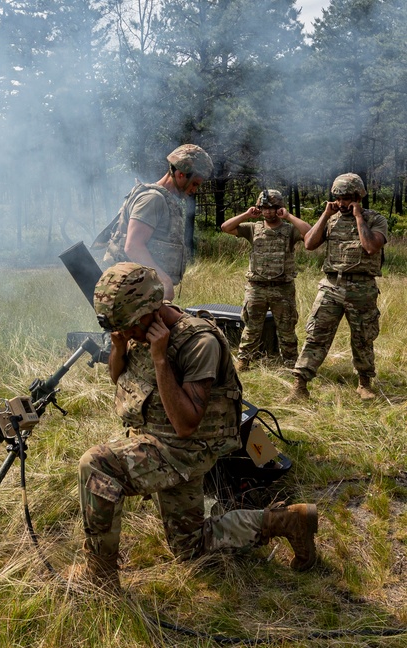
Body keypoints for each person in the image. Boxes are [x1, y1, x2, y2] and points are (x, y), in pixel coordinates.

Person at [73, 262, 319, 592]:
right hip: (154, 438)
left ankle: (99, 581)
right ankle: (289, 521)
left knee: (97, 465)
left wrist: (161, 360)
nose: (127, 333)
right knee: (190, 548)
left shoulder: (200, 343)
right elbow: (121, 379)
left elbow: (187, 424)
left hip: (183, 449)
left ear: (152, 310)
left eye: (129, 327)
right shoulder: (136, 327)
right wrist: (119, 348)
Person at [289, 173, 387, 401]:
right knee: (316, 336)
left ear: (358, 197)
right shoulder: (331, 219)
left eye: (347, 198)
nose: (342, 203)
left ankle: (364, 384)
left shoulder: (376, 219)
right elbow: (309, 244)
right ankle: (299, 386)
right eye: (339, 198)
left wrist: (358, 218)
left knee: (362, 338)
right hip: (331, 286)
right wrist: (325, 214)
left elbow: (371, 247)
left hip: (362, 288)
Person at [96, 144, 213, 301]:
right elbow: (133, 246)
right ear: (180, 174)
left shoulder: (164, 199)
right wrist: (163, 280)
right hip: (127, 291)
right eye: (195, 184)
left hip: (140, 287)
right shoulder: (152, 199)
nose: (194, 190)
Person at [221, 189, 311, 370]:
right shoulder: (253, 228)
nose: (268, 212)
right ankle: (244, 360)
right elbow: (225, 227)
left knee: (286, 329)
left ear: (280, 208)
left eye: (273, 208)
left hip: (282, 288)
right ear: (259, 209)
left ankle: (290, 362)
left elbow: (309, 232)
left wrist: (289, 217)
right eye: (264, 208)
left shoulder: (289, 230)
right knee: (251, 327)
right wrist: (247, 214)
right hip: (257, 287)